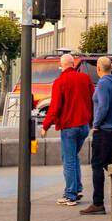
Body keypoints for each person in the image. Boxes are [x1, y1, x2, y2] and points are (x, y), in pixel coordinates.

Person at [41, 53, 94, 206]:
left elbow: (55, 107)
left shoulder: (60, 82)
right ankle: (77, 188)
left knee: (69, 159)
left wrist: (45, 125)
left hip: (69, 127)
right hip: (84, 126)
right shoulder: (85, 79)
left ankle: (70, 194)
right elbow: (93, 100)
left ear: (61, 64)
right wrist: (91, 121)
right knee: (74, 156)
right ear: (73, 63)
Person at [81, 56, 112, 215]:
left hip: (105, 131)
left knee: (97, 164)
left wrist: (96, 124)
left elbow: (103, 106)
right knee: (107, 162)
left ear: (99, 68)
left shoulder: (103, 84)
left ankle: (98, 203)